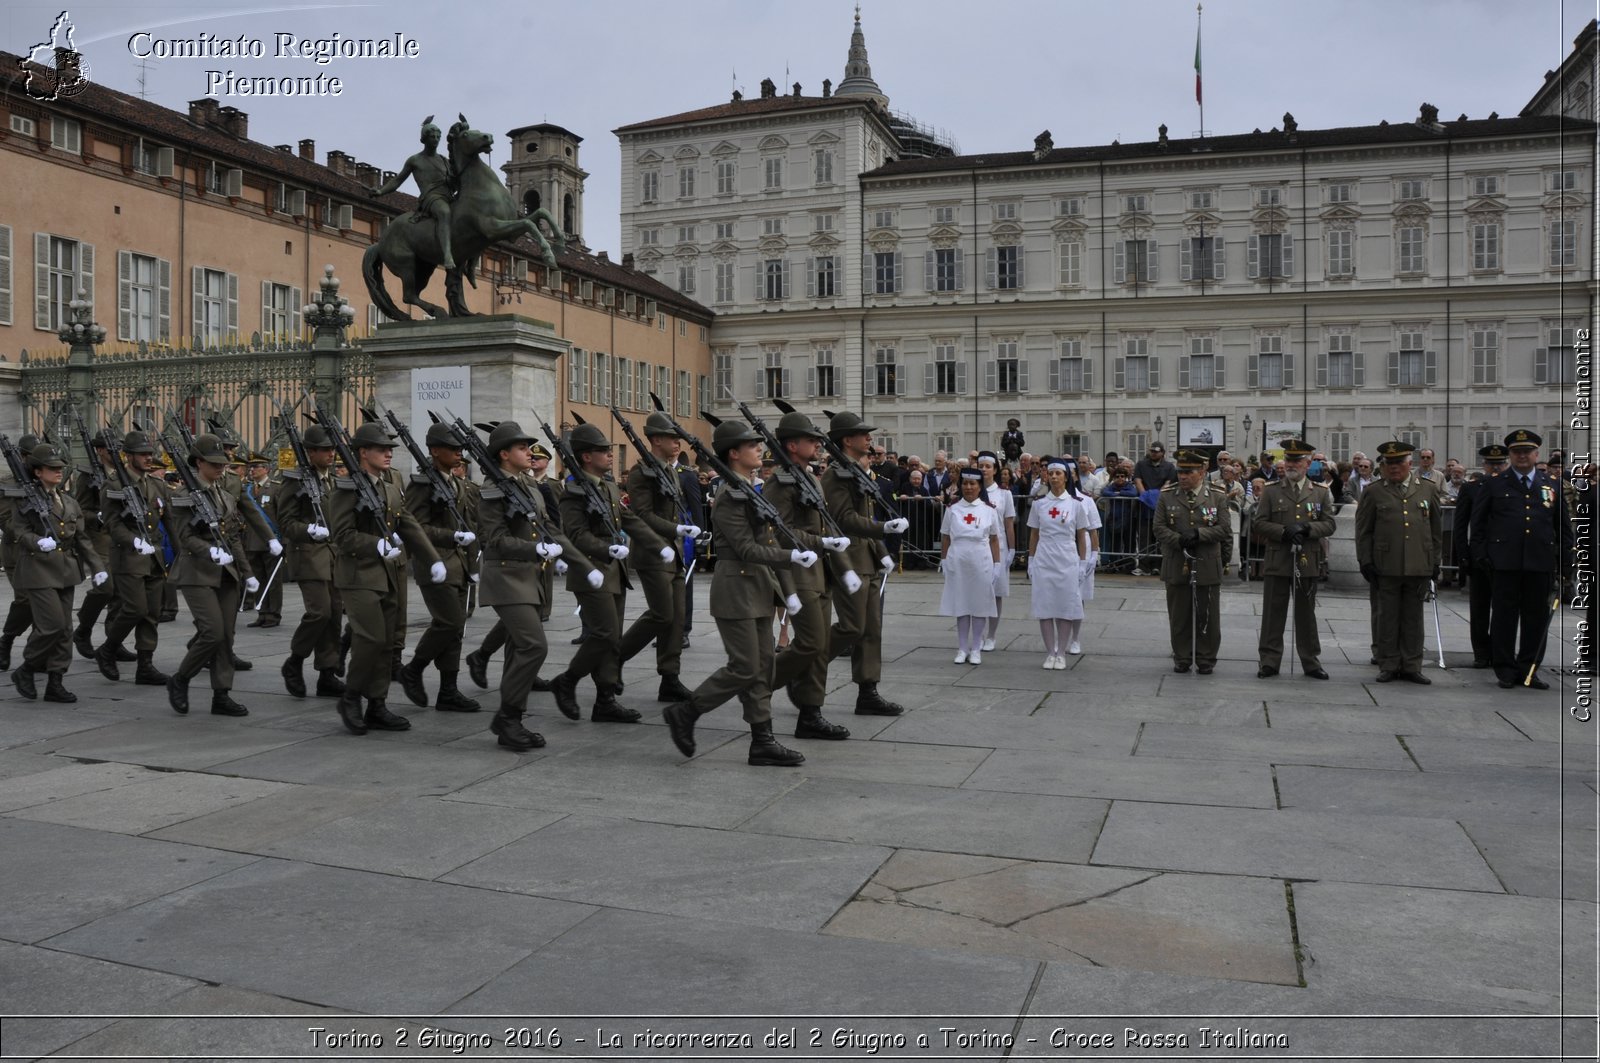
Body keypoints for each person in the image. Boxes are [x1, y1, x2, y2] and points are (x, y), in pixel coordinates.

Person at [662, 419, 815, 766]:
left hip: (759, 587)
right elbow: (746, 548)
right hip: (736, 588)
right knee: (745, 666)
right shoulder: (730, 497)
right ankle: (686, 712)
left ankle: (762, 741)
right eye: (751, 445)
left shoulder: (748, 489)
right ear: (734, 453)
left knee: (764, 668)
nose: (759, 449)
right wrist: (789, 555)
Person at [476, 421, 592, 751]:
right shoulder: (492, 490)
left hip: (528, 577)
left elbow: (550, 528)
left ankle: (512, 720)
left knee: (517, 648)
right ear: (503, 454)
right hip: (505, 576)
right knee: (533, 646)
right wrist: (535, 549)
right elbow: (493, 539)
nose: (530, 452)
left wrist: (580, 563)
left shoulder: (527, 485)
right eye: (522, 448)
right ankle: (507, 718)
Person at [548, 423, 672, 724]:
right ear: (586, 457)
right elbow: (575, 535)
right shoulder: (574, 492)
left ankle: (605, 701)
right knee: (603, 633)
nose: (609, 455)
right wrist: (607, 550)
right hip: (591, 571)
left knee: (612, 638)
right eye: (604, 451)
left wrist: (658, 545)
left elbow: (629, 520)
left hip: (613, 573)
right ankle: (567, 680)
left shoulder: (608, 487)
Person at [327, 420, 445, 735]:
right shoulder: (346, 488)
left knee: (387, 644)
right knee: (370, 639)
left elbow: (408, 525)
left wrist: (432, 558)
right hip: (358, 575)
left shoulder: (389, 487)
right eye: (382, 449)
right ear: (363, 452)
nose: (389, 454)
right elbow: (341, 535)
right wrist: (375, 544)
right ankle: (351, 697)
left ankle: (377, 704)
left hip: (389, 574)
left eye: (390, 449)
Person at [766, 411, 858, 738]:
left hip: (820, 571)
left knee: (818, 648)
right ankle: (755, 685)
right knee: (811, 644)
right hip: (797, 572)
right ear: (792, 445)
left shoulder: (811, 477)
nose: (819, 444)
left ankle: (810, 713)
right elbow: (778, 530)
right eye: (811, 440)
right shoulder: (779, 482)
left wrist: (838, 556)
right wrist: (821, 541)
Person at [823, 411, 911, 716]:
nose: (869, 438)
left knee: (872, 629)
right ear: (848, 440)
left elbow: (867, 516)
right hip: (848, 559)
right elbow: (844, 518)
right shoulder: (835, 475)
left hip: (868, 559)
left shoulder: (859, 472)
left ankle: (868, 690)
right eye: (863, 434)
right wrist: (882, 530)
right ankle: (807, 662)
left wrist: (881, 550)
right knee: (851, 627)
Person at [166, 433, 258, 716]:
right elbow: (184, 537)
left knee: (226, 637)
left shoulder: (227, 497)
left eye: (223, 463)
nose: (221, 468)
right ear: (198, 463)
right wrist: (209, 551)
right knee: (212, 632)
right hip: (196, 572)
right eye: (214, 463)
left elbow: (233, 539)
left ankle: (221, 694)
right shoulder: (183, 497)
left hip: (226, 574)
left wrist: (247, 572)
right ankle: (181, 679)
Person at [1471, 430, 1571, 690]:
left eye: (1527, 451)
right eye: (1517, 451)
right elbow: (1478, 525)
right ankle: (1504, 669)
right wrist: (1481, 555)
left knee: (1536, 620)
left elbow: (1563, 527)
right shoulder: (1494, 484)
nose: (1522, 455)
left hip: (1540, 562)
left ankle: (1529, 669)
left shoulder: (1550, 484)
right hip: (1505, 562)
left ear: (1537, 454)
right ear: (1510, 455)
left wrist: (1566, 563)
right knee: (1504, 618)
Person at [7, 443, 106, 702]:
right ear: (37, 472)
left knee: (64, 630)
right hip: (37, 569)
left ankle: (55, 682)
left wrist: (97, 567)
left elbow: (82, 539)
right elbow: (19, 531)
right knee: (51, 625)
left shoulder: (70, 502)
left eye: (60, 468)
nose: (58, 472)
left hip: (66, 570)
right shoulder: (24, 500)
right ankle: (27, 669)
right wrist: (36, 542)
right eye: (52, 468)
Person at [396, 421, 482, 713]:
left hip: (457, 565)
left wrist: (471, 563)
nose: (459, 453)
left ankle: (448, 691)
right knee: (450, 622)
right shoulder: (422, 485)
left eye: (460, 448)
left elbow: (469, 525)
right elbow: (415, 528)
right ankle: (413, 668)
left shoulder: (456, 483)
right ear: (434, 451)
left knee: (456, 630)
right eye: (453, 448)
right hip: (436, 564)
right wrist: (451, 536)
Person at [620, 413, 703, 704]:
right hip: (652, 554)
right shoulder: (641, 472)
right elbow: (642, 515)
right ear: (656, 440)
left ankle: (670, 678)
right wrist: (675, 528)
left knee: (676, 619)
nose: (678, 443)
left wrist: (683, 532)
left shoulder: (670, 471)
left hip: (674, 554)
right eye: (673, 438)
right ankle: (614, 658)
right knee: (662, 614)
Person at [1355, 440, 1443, 684]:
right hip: (1386, 564)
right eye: (1388, 463)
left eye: (1398, 463)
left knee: (1413, 618)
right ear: (1382, 466)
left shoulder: (1427, 488)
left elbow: (1435, 529)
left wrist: (1435, 561)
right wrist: (1366, 561)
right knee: (1387, 617)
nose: (1394, 468)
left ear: (1409, 463)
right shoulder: (1373, 492)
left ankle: (1412, 665)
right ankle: (1389, 663)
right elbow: (1364, 531)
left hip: (1418, 563)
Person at [1251, 440, 1337, 680]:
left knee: (1306, 614)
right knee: (1272, 613)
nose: (1292, 465)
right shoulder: (1272, 490)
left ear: (1307, 464)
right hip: (1278, 558)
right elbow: (1259, 522)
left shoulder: (1320, 492)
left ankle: (1310, 661)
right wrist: (1283, 531)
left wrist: (1307, 528)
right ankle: (1269, 660)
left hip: (1306, 560)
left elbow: (1329, 523)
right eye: (1288, 460)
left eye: (1297, 461)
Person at [94, 430, 172, 687]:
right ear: (128, 456)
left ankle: (145, 666)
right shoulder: (114, 485)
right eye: (143, 454)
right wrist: (133, 541)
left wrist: (184, 553)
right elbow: (112, 524)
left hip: (154, 558)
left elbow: (171, 523)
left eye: (150, 454)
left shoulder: (158, 485)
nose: (149, 458)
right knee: (135, 608)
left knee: (151, 613)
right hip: (128, 558)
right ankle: (108, 649)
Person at [277, 424, 347, 701]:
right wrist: (309, 530)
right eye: (325, 450)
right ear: (310, 452)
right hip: (308, 554)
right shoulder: (295, 481)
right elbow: (285, 522)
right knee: (319, 612)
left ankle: (327, 674)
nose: (331, 453)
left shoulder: (331, 479)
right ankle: (294, 661)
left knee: (334, 614)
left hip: (332, 556)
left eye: (332, 449)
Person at [1152, 450, 1232, 674]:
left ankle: (1206, 658)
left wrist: (1199, 534)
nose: (1183, 476)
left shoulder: (1216, 495)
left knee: (1207, 614)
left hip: (1206, 561)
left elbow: (1224, 529)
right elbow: (1158, 528)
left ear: (1202, 472)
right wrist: (1179, 539)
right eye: (1180, 472)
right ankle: (1182, 656)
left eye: (1188, 472)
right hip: (1177, 560)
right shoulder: (1167, 495)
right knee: (1179, 615)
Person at [371, 115, 457, 271]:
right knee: (444, 213)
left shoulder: (444, 160)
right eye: (432, 136)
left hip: (448, 195)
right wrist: (380, 191)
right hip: (431, 198)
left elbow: (453, 179)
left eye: (438, 136)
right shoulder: (415, 160)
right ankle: (447, 255)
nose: (436, 139)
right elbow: (397, 181)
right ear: (424, 139)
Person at [1026, 461, 1090, 669]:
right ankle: (1050, 652)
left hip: (1066, 556)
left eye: (1058, 473)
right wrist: (1031, 559)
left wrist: (1083, 562)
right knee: (1045, 605)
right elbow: (1034, 534)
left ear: (1066, 477)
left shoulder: (1076, 504)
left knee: (1065, 605)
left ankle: (1061, 652)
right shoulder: (1039, 504)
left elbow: (1081, 536)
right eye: (1050, 473)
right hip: (1045, 555)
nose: (1054, 477)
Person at [1452, 443, 1509, 668]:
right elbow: (1460, 525)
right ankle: (1481, 652)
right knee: (1479, 608)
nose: (1496, 468)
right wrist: (1463, 555)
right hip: (1479, 556)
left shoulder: (1512, 487)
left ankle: (1499, 649)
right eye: (1491, 464)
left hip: (1506, 557)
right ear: (1484, 465)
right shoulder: (1472, 488)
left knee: (1504, 608)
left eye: (1500, 464)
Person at [71, 434, 123, 661]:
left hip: (121, 537)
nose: (116, 453)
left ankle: (114, 640)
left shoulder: (122, 473)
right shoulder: (87, 476)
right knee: (106, 588)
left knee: (121, 591)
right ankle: (83, 629)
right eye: (111, 449)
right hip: (98, 537)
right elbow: (80, 511)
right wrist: (99, 516)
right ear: (100, 451)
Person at [941, 468, 1001, 664]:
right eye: (965, 483)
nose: (968, 487)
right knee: (961, 603)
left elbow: (993, 539)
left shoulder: (989, 510)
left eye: (972, 484)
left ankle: (976, 647)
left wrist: (997, 563)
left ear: (979, 486)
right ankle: (962, 648)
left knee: (979, 604)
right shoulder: (952, 509)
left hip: (981, 558)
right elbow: (946, 537)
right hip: (958, 558)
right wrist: (944, 560)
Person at [975, 452, 1016, 650]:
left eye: (987, 466)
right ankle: (979, 633)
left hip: (999, 547)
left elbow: (1008, 524)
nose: (983, 469)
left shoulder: (1004, 494)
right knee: (979, 592)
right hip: (977, 547)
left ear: (995, 470)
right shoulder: (972, 491)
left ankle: (991, 635)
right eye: (980, 466)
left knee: (996, 592)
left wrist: (1012, 549)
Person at [240, 454, 283, 628]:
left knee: (273, 581)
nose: (252, 470)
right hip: (251, 541)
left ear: (266, 469)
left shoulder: (275, 489)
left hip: (271, 541)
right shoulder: (247, 489)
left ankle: (273, 614)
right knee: (258, 578)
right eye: (251, 467)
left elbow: (282, 516)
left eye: (256, 466)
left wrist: (283, 541)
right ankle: (262, 612)